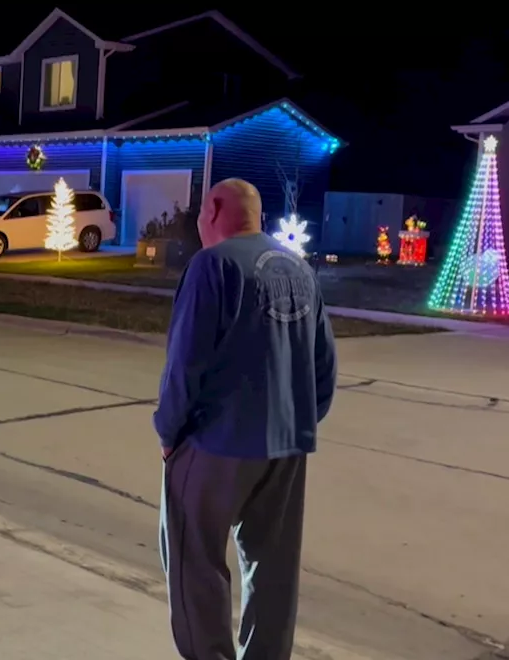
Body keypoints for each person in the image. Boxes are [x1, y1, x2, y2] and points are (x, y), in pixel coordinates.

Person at [154, 178, 337, 660]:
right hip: (287, 444)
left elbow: (185, 363)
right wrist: (298, 420)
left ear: (214, 209)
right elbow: (324, 366)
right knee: (273, 568)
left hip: (218, 442)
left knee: (196, 563)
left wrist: (169, 433)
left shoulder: (211, 266)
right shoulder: (299, 269)